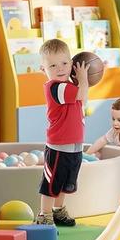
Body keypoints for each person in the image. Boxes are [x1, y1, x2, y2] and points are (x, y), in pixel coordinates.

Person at [35, 39, 90, 226]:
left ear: (71, 64)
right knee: (51, 184)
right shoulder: (55, 87)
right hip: (58, 146)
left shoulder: (69, 86)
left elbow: (83, 99)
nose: (60, 69)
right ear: (44, 70)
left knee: (66, 183)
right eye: (52, 65)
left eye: (65, 63)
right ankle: (44, 214)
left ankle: (57, 211)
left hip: (74, 145)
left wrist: (80, 81)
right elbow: (82, 94)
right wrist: (83, 77)